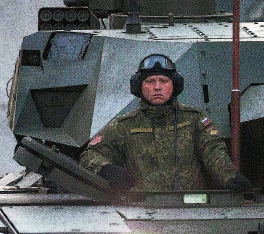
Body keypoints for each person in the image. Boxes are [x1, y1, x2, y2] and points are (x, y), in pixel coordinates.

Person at [80, 53, 251, 193]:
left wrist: (229, 176)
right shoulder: (123, 125)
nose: (157, 87)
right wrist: (106, 169)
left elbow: (213, 152)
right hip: (142, 207)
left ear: (175, 85)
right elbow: (90, 155)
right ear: (138, 87)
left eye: (163, 81)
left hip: (190, 206)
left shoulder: (194, 119)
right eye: (149, 81)